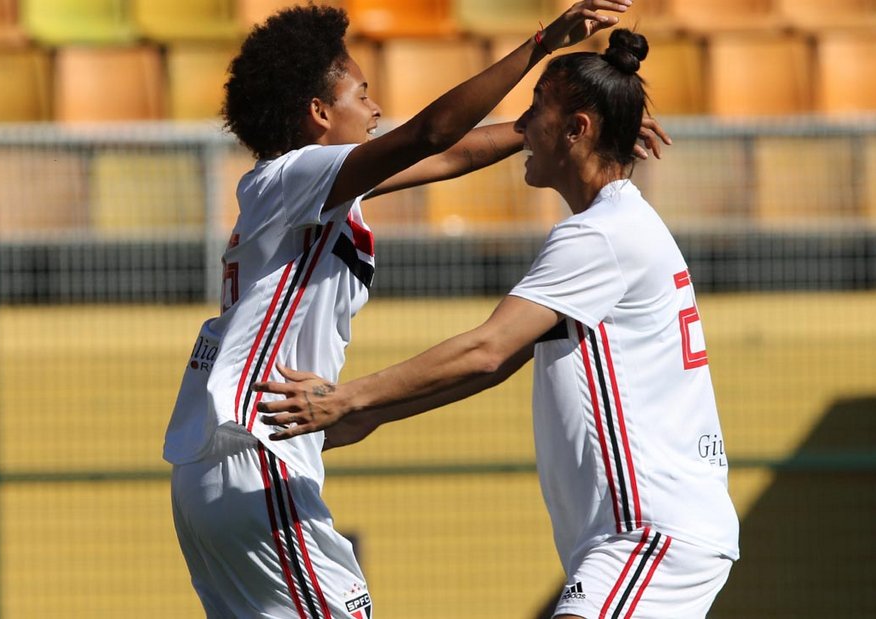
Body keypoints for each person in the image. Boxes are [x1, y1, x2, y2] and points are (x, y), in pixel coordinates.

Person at [162, 2, 645, 617]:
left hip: (213, 470)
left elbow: (451, 156)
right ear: (318, 114)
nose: (375, 109)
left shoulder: (305, 189)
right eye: (361, 94)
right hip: (256, 457)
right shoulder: (296, 176)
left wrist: (566, 130)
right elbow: (430, 135)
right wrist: (541, 44)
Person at [253, 28, 740, 619]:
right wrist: (372, 412)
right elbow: (500, 364)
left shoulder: (600, 237)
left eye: (536, 111)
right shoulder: (612, 227)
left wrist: (346, 399)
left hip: (650, 530)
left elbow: (487, 347)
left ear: (577, 129)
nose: (523, 126)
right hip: (644, 533)